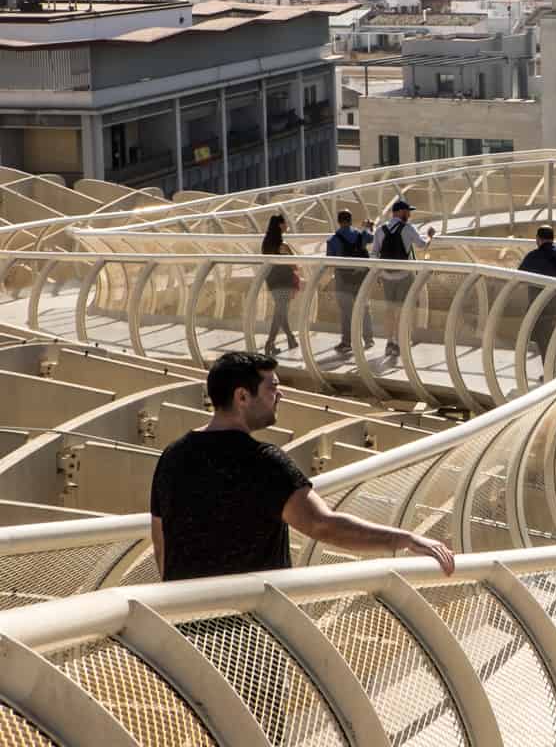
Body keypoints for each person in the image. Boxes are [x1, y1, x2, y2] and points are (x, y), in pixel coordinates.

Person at [150, 351, 455, 581]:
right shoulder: (264, 462)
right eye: (272, 387)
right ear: (242, 396)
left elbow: (162, 548)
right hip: (251, 632)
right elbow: (323, 525)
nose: (279, 394)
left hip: (185, 631)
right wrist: (405, 539)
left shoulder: (171, 457)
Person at [371, 200, 435, 364]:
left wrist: (378, 273)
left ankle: (389, 341)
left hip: (386, 276)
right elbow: (422, 245)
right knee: (401, 309)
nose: (409, 214)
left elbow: (374, 254)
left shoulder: (380, 230)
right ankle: (398, 343)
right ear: (399, 212)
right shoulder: (408, 228)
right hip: (403, 276)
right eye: (407, 211)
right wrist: (430, 236)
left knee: (389, 310)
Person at [518, 226, 556, 359]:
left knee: (543, 338)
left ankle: (548, 368)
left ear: (538, 239)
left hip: (540, 304)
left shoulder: (532, 256)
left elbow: (520, 275)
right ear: (553, 238)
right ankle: (554, 366)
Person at [323, 210, 376, 355]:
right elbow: (372, 238)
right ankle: (369, 339)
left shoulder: (332, 240)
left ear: (339, 221)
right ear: (351, 221)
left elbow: (330, 261)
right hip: (361, 277)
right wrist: (368, 227)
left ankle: (346, 342)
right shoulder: (361, 235)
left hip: (343, 279)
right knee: (364, 308)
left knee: (346, 312)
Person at [260, 214, 300, 355]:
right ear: (279, 225)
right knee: (280, 313)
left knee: (280, 312)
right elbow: (294, 265)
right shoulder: (283, 246)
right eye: (285, 223)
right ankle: (269, 343)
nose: (287, 225)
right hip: (284, 282)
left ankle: (290, 339)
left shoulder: (266, 244)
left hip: (272, 281)